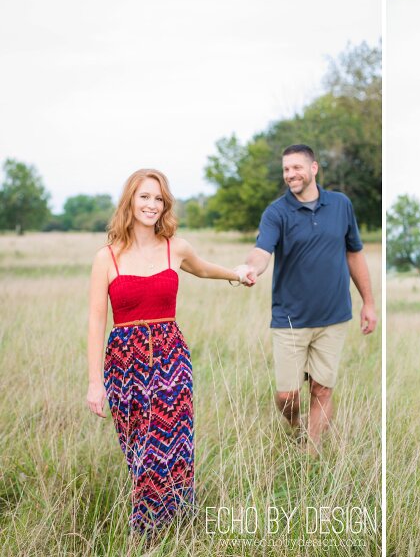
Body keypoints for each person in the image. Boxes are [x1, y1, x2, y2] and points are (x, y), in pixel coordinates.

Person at [85, 168, 252, 535]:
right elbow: (97, 322)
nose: (151, 204)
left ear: (165, 205)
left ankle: (150, 530)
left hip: (171, 358)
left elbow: (204, 269)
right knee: (139, 450)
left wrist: (237, 274)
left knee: (172, 444)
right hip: (124, 363)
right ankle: (165, 519)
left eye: (158, 198)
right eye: (144, 196)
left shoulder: (175, 246)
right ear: (130, 199)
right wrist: (94, 383)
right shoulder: (107, 258)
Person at [238, 144, 377, 450]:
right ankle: (296, 425)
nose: (290, 174)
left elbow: (354, 254)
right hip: (290, 319)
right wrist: (251, 268)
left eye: (297, 167)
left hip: (334, 317)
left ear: (314, 168)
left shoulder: (341, 205)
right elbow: (262, 251)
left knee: (322, 389)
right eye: (286, 169)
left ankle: (310, 452)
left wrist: (368, 302)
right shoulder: (277, 212)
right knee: (288, 396)